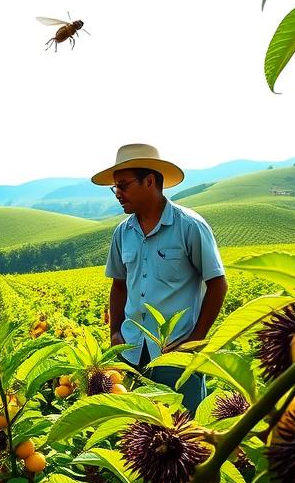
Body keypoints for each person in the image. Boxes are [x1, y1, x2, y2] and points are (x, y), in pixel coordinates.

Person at [92, 143, 228, 415]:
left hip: (176, 354)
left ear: (150, 181)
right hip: (131, 353)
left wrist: (195, 340)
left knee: (186, 433)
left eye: (123, 185)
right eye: (115, 187)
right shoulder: (123, 233)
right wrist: (115, 333)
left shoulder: (189, 226)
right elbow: (119, 285)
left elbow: (217, 284)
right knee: (139, 434)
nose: (118, 194)